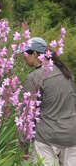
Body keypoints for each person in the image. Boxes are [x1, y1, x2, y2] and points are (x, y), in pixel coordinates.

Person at [22, 37, 76, 166]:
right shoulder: (66, 73)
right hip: (71, 135)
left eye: (25, 53)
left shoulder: (35, 77)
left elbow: (27, 115)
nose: (23, 57)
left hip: (46, 139)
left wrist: (23, 146)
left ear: (35, 54)